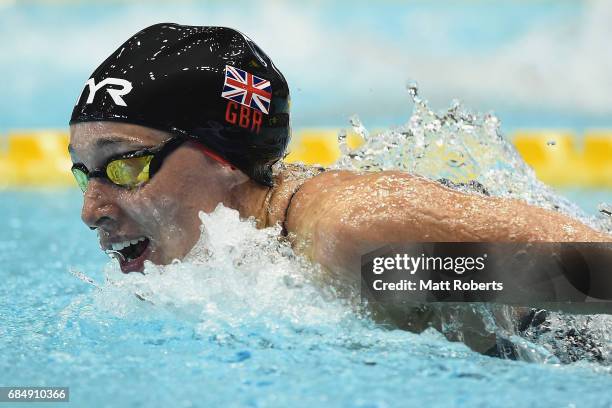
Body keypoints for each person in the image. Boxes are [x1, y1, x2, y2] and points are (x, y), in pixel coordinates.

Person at [70, 23, 611, 353]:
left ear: (225, 157)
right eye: (84, 173)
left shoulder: (354, 239)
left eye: (125, 166)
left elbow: (599, 275)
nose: (92, 210)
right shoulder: (264, 249)